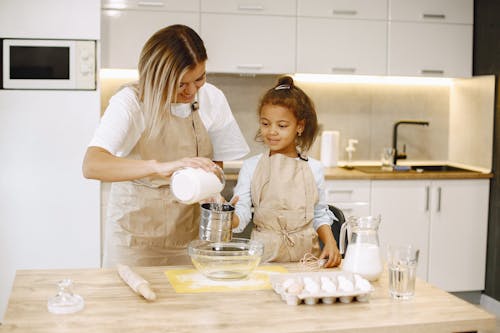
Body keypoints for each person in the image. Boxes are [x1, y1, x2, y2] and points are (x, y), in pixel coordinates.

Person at [82, 24, 250, 267]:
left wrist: (214, 194)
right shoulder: (130, 102)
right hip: (135, 242)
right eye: (181, 84)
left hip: (192, 240)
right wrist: (159, 167)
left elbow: (216, 167)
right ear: (157, 78)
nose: (192, 91)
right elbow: (92, 165)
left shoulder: (212, 98)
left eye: (199, 78)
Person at [232, 76, 341, 268]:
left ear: (299, 126)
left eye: (281, 126)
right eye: (265, 124)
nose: (272, 131)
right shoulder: (251, 166)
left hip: (307, 260)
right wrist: (226, 218)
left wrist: (331, 242)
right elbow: (242, 212)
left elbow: (319, 213)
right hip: (264, 259)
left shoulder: (314, 168)